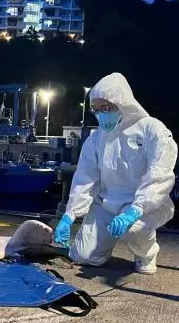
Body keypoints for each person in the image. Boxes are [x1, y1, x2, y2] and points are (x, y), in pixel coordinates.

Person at [54, 72, 176, 274]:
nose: (102, 113)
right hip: (106, 204)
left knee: (135, 228)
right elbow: (85, 178)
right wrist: (70, 215)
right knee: (83, 256)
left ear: (122, 102)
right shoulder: (96, 139)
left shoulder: (151, 129)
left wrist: (136, 209)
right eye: (97, 109)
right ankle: (100, 249)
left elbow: (160, 173)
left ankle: (146, 253)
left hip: (143, 205)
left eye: (107, 107)